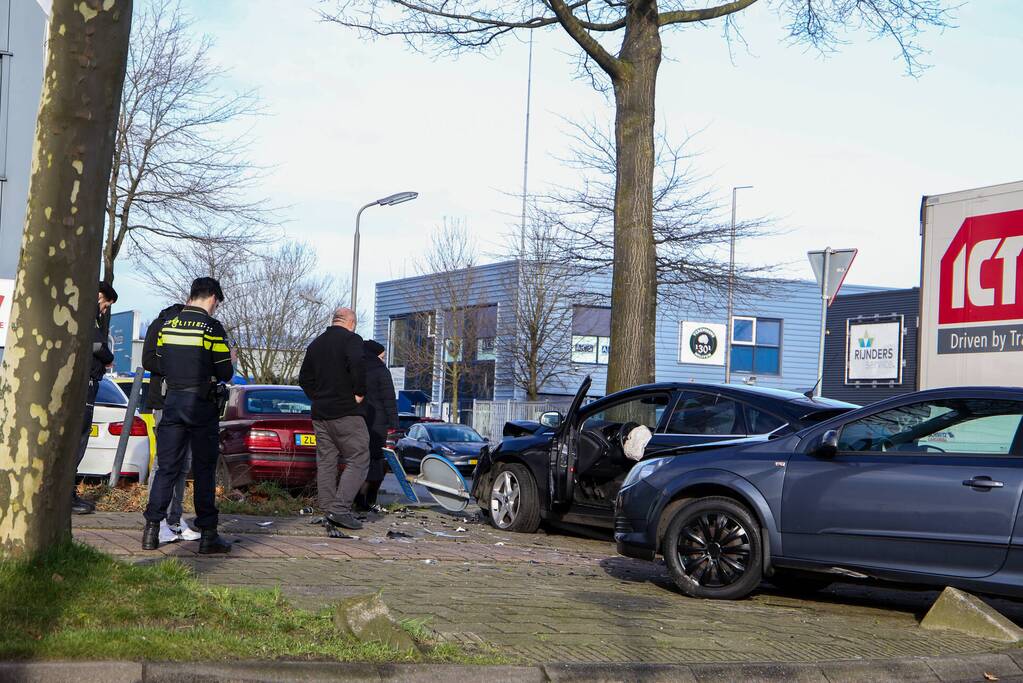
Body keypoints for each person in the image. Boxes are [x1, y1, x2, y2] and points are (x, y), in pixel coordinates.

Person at [141, 277, 233, 553]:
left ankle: (151, 531)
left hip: (173, 402)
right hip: (201, 404)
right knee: (204, 470)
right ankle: (208, 535)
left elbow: (157, 360)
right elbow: (225, 371)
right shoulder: (212, 328)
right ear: (213, 299)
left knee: (166, 468)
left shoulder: (168, 325)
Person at [298, 307, 369, 531]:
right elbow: (358, 364)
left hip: (320, 413)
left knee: (327, 461)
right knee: (359, 456)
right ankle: (340, 510)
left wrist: (317, 397)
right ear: (352, 323)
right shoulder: (352, 340)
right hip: (345, 411)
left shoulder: (316, 344)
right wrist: (359, 392)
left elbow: (303, 378)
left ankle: (327, 510)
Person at [141, 302, 200, 544]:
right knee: (165, 464)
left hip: (185, 402)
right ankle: (158, 521)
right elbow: (148, 360)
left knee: (183, 464)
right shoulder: (160, 326)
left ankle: (174, 519)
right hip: (165, 402)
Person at [72, 282, 117, 515]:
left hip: (83, 383)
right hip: (86, 386)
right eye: (106, 304)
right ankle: (69, 496)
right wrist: (108, 357)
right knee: (79, 439)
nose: (105, 310)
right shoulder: (88, 316)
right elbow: (96, 344)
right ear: (100, 296)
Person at [355, 339, 398, 512]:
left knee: (357, 459)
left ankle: (353, 495)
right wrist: (394, 423)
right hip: (377, 423)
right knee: (374, 461)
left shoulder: (355, 369)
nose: (383, 359)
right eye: (382, 356)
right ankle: (364, 498)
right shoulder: (381, 371)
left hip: (356, 419)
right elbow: (389, 398)